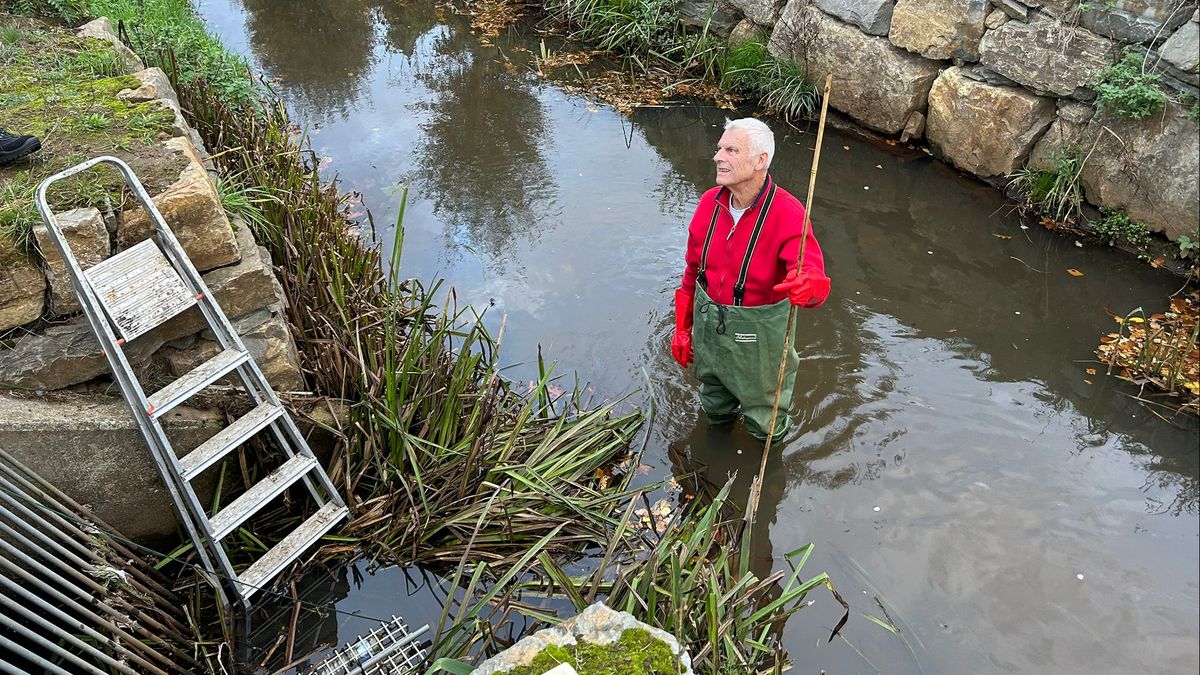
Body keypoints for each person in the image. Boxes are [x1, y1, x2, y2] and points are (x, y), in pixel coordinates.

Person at [671, 118, 829, 442]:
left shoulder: (789, 214)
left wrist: (809, 285)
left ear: (760, 161)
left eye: (731, 149)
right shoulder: (708, 204)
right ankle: (712, 452)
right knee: (713, 408)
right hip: (710, 334)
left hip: (759, 344)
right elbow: (691, 273)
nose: (718, 156)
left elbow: (813, 278)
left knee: (765, 426)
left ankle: (763, 480)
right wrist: (682, 328)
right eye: (719, 149)